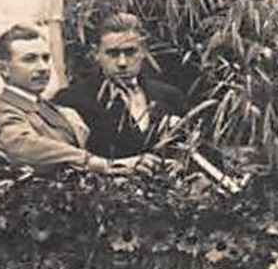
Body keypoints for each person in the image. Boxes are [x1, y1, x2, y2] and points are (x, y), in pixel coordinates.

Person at [0, 25, 152, 174]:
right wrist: (97, 163)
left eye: (45, 58)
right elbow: (24, 146)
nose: (43, 68)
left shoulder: (47, 106)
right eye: (30, 59)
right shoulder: (5, 112)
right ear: (3, 69)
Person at [54, 13, 188, 160]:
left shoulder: (170, 96)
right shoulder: (73, 100)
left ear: (143, 51)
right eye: (113, 53)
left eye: (130, 52)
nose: (122, 62)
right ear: (96, 53)